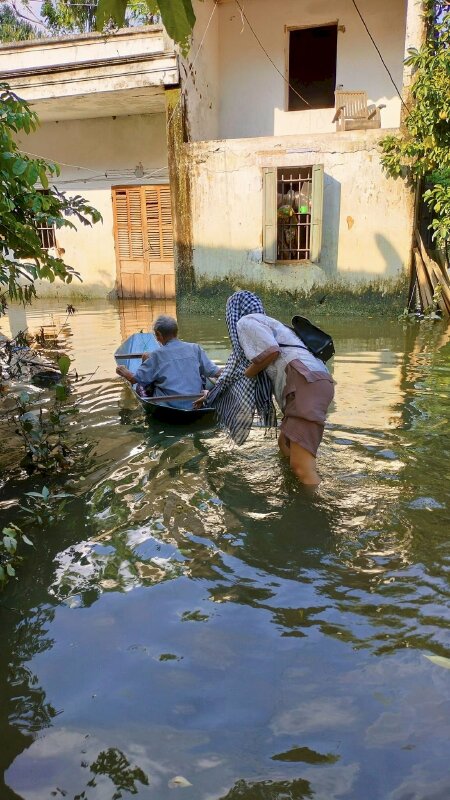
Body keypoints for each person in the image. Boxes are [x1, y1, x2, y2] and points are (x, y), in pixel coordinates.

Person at [205, 291, 335, 486]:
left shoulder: (246, 321)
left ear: (234, 312)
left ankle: (313, 508)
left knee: (302, 468)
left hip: (305, 384)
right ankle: (292, 487)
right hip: (315, 381)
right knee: (284, 443)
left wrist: (246, 374)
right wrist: (209, 396)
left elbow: (271, 352)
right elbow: (235, 371)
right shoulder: (274, 325)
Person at [116, 315, 221, 405]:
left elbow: (135, 379)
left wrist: (123, 371)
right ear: (176, 332)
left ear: (159, 335)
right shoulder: (195, 348)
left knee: (145, 366)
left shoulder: (156, 355)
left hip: (168, 404)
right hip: (195, 403)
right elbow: (217, 372)